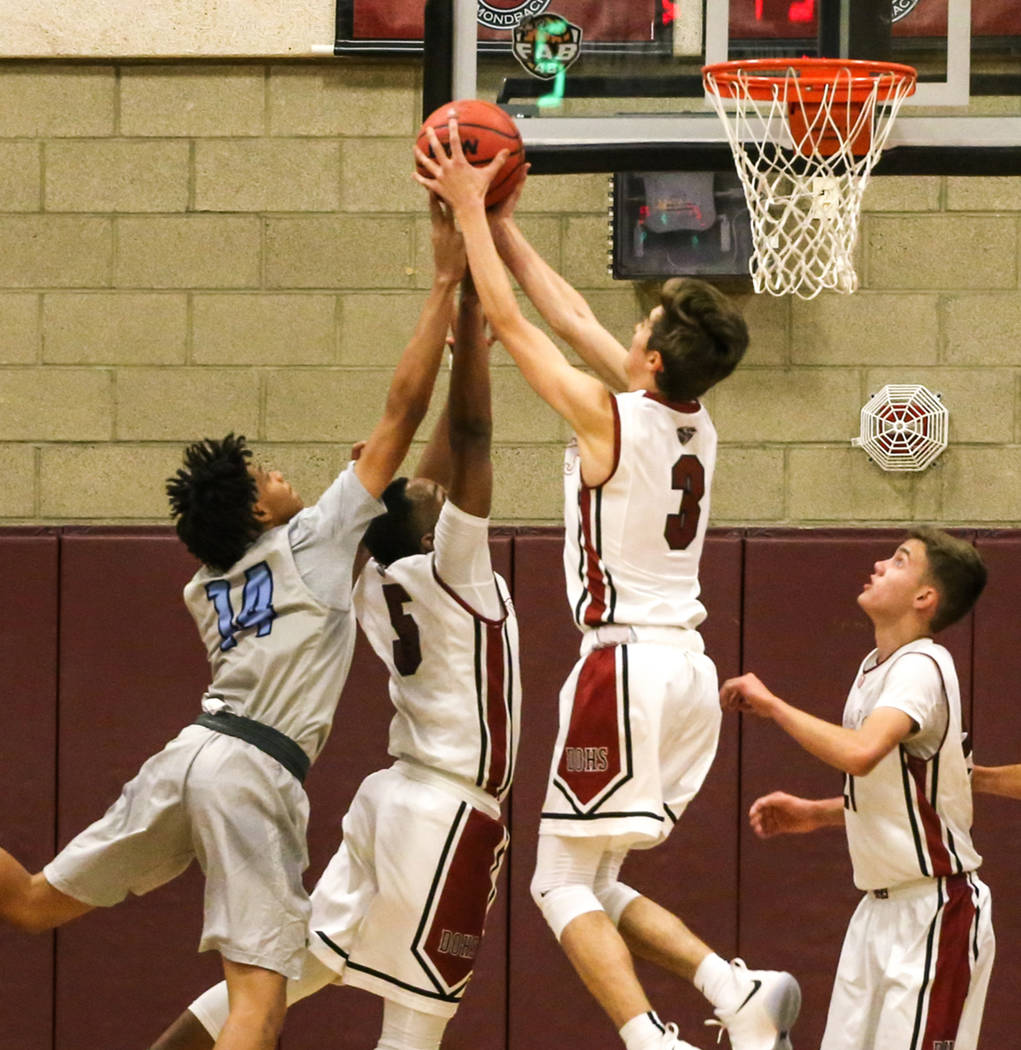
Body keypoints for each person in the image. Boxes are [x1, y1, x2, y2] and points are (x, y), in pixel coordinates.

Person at [0, 194, 464, 1050]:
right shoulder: (313, 542)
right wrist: (441, 284)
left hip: (188, 756)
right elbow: (398, 415)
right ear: (256, 506)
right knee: (260, 1003)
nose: (281, 472)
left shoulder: (206, 585)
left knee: (32, 903)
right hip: (254, 770)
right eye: (266, 472)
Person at [415, 118, 799, 1050]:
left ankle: (648, 1040)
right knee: (592, 879)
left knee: (554, 883)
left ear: (655, 359)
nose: (627, 327)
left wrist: (467, 211)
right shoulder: (690, 421)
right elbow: (572, 315)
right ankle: (734, 990)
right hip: (684, 681)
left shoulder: (606, 418)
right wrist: (501, 221)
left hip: (623, 669)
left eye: (646, 326)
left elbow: (513, 322)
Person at [148, 271, 520, 1050]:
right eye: (427, 495)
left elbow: (428, 474)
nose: (431, 487)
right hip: (449, 812)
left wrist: (460, 364)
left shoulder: (364, 579)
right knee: (415, 1029)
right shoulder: (456, 568)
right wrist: (474, 332)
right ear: (429, 530)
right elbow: (470, 445)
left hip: (388, 796)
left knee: (292, 971)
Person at [721, 527, 993, 1050]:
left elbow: (861, 754)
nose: (879, 564)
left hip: (935, 911)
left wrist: (773, 704)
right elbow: (912, 794)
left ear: (923, 598)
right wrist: (821, 813)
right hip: (878, 911)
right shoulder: (875, 669)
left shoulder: (923, 665)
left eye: (899, 560)